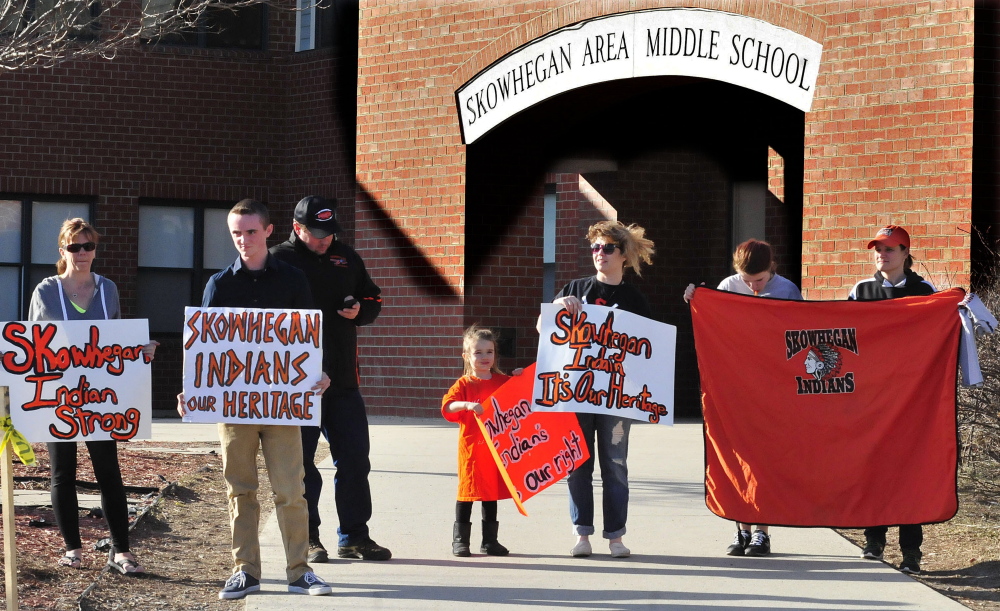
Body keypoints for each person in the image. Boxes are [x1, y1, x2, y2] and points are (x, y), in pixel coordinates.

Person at [177, 199, 334, 599]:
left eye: (250, 231)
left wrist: (321, 373)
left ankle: (299, 571)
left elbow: (308, 337)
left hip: (282, 405)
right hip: (234, 408)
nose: (243, 240)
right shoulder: (219, 284)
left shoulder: (293, 279)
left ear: (267, 231)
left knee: (291, 490)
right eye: (236, 233)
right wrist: (194, 390)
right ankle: (245, 570)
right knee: (239, 489)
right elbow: (205, 348)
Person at [28, 218, 158, 575]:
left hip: (101, 396)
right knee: (62, 474)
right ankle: (73, 548)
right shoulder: (45, 291)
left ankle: (122, 552)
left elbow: (116, 341)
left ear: (95, 249)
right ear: (62, 251)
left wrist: (141, 350)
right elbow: (34, 346)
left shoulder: (108, 290)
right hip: (59, 394)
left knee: (108, 471)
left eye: (88, 246)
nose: (82, 253)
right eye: (74, 247)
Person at [269, 195, 390, 563]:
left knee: (354, 460)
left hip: (342, 381)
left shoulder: (347, 256)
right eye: (316, 233)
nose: (324, 240)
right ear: (296, 227)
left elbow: (374, 298)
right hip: (297, 383)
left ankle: (355, 537)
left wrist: (361, 311)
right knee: (302, 465)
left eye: (329, 233)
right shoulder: (278, 260)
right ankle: (309, 539)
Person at [542, 220, 655, 559]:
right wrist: (559, 307)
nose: (599, 254)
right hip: (577, 393)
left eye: (607, 248)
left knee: (615, 464)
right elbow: (543, 329)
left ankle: (616, 536)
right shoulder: (575, 288)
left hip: (617, 398)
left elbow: (648, 350)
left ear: (622, 255)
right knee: (578, 463)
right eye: (595, 248)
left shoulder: (634, 298)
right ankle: (582, 534)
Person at [683, 238, 803, 557]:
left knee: (764, 460)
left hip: (772, 388)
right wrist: (697, 299)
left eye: (760, 281)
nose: (752, 287)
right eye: (747, 281)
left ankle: (762, 532)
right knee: (736, 457)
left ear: (772, 269)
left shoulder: (788, 290)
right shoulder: (728, 285)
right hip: (733, 386)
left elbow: (800, 337)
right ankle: (741, 529)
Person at [848, 224, 935, 575]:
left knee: (910, 472)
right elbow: (845, 335)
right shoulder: (861, 290)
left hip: (913, 398)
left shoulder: (923, 290)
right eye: (877, 249)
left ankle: (911, 550)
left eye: (889, 249)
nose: (881, 255)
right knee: (874, 467)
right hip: (871, 397)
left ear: (905, 254)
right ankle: (874, 541)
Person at [441, 325, 512, 557]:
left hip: (496, 450)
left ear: (495, 354)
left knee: (490, 494)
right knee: (468, 493)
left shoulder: (503, 382)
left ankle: (490, 541)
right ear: (466, 356)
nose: (484, 357)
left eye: (489, 351)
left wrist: (521, 377)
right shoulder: (464, 384)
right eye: (478, 352)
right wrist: (467, 405)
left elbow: (522, 397)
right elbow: (448, 405)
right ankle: (460, 541)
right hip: (472, 449)